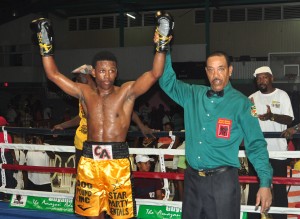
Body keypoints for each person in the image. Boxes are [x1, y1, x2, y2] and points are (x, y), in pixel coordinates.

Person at [31, 11, 173, 219]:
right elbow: (53, 75)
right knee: (92, 215)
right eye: (103, 71)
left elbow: (155, 74)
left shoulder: (126, 92)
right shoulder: (84, 92)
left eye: (112, 71)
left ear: (116, 72)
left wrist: (162, 40)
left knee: (121, 216)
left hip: (117, 162)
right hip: (90, 160)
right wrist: (45, 43)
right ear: (94, 73)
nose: (107, 76)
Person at [159, 50, 273, 219]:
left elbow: (256, 144)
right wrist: (164, 48)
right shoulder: (193, 94)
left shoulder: (243, 104)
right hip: (192, 180)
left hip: (223, 182)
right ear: (206, 72)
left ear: (230, 70)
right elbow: (167, 82)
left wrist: (265, 183)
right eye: (211, 70)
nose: (216, 75)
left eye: (220, 69)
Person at [52, 64, 158, 169]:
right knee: (84, 179)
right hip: (83, 144)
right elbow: (81, 118)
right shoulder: (83, 96)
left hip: (106, 146)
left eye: (79, 78)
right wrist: (63, 125)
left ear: (88, 77)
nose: (76, 82)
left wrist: (141, 126)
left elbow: (128, 112)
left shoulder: (105, 93)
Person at [248, 66, 294, 219]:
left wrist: (272, 116)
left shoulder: (282, 95)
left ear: (271, 78)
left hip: (278, 151)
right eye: (258, 78)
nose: (261, 80)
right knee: (255, 188)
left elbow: (289, 119)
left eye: (264, 77)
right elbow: (251, 120)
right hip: (257, 152)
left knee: (279, 190)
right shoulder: (252, 98)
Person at [0, 116, 17, 202]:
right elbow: (11, 148)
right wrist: (15, 159)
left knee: (2, 176)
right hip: (6, 155)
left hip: (5, 155)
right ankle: (10, 196)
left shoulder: (7, 134)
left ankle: (2, 196)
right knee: (9, 176)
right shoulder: (7, 134)